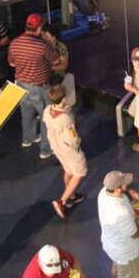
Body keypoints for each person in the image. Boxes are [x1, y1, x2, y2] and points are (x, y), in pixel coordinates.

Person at [98, 170, 139, 278]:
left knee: (118, 266)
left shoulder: (103, 193)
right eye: (124, 184)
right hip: (126, 252)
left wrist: (128, 194)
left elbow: (122, 199)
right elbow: (135, 233)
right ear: (117, 189)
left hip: (111, 244)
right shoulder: (121, 212)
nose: (127, 184)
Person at [9, 13, 59, 159]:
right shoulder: (42, 45)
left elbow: (12, 63)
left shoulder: (15, 43)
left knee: (27, 113)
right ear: (39, 28)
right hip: (39, 87)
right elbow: (55, 60)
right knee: (46, 117)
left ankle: (28, 139)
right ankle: (45, 149)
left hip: (20, 85)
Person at [44, 84, 87, 219]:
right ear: (63, 99)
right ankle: (62, 201)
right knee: (80, 173)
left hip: (56, 147)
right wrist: (77, 144)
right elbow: (72, 138)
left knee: (68, 170)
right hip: (69, 150)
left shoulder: (47, 110)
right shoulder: (65, 119)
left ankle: (72, 196)